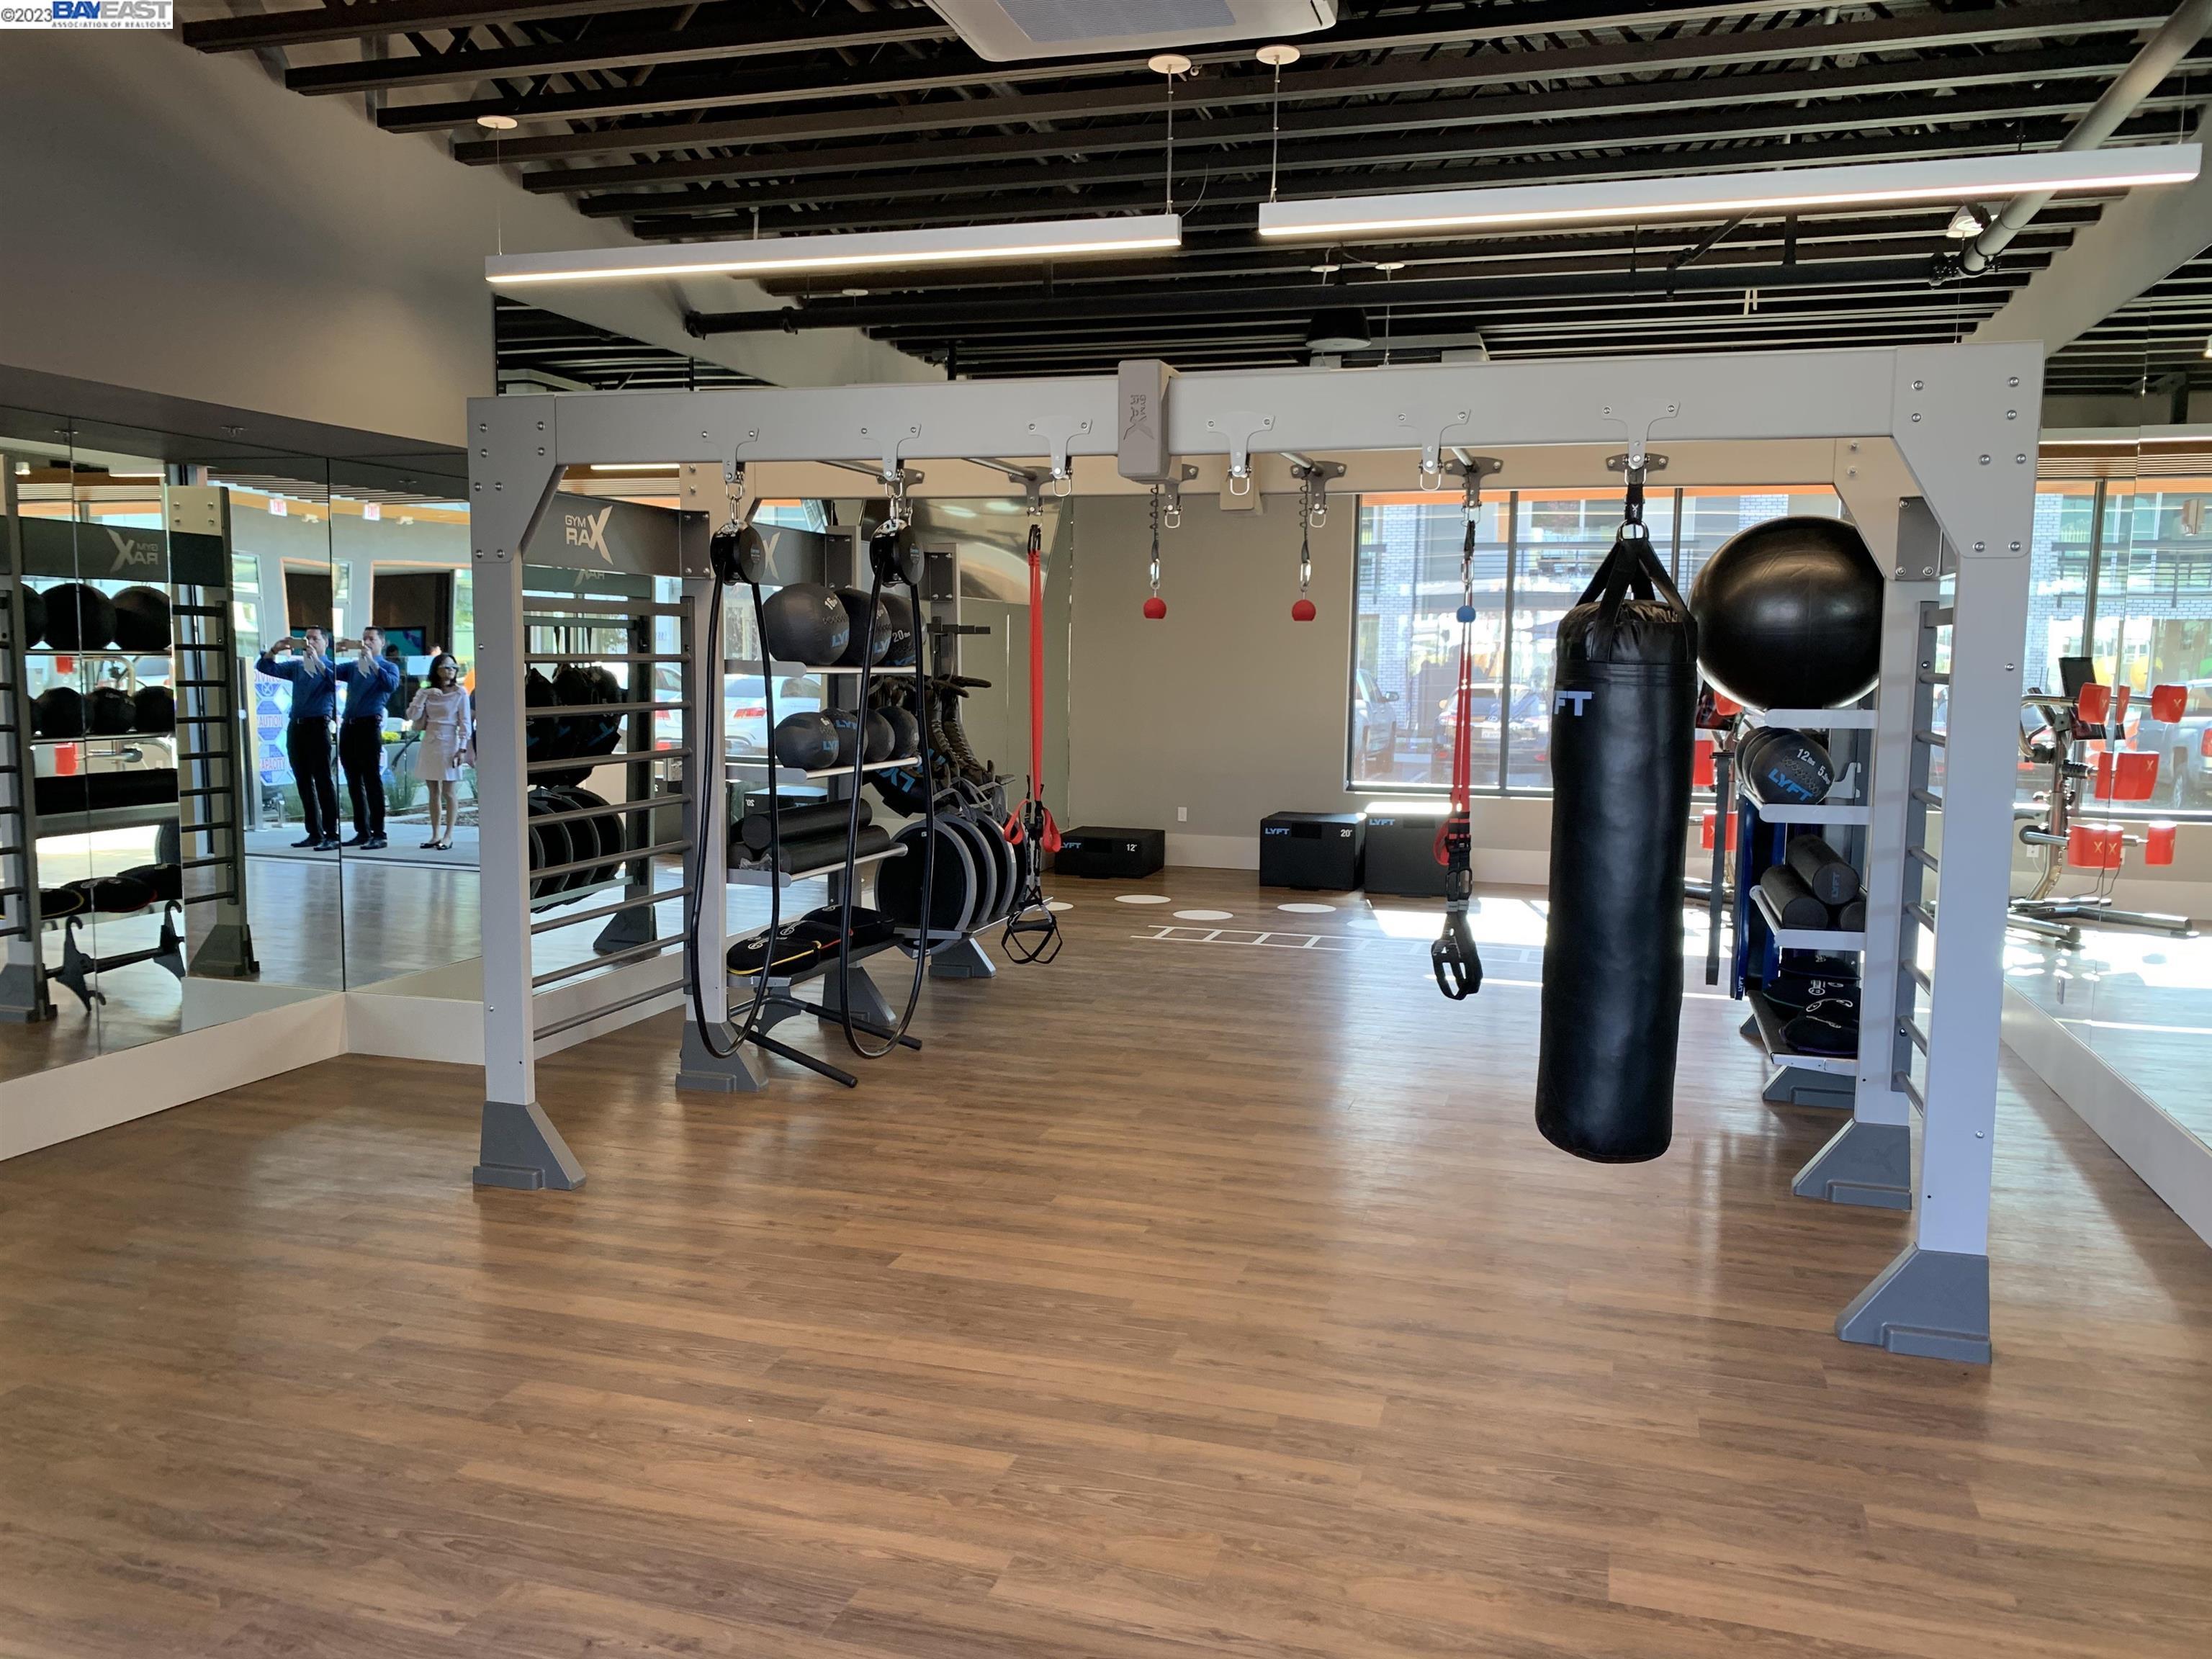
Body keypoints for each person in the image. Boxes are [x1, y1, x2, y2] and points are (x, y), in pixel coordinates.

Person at [256, 627, 342, 850]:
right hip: (297, 726)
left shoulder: (331, 667)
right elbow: (265, 667)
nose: (310, 642)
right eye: (307, 638)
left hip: (318, 726)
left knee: (323, 780)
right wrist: (275, 649)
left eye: (315, 638)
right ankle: (314, 832)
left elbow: (334, 684)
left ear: (326, 644)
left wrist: (317, 662)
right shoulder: (297, 666)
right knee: (303, 780)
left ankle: (332, 833)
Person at [333, 626, 402, 850]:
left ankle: (379, 833)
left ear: (381, 642)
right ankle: (362, 831)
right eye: (364, 639)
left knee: (372, 779)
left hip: (369, 726)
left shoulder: (388, 666)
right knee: (353, 780)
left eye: (371, 639)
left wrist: (371, 662)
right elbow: (326, 673)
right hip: (349, 727)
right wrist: (334, 650)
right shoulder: (354, 667)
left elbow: (391, 685)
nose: (366, 643)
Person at [407, 653, 473, 851]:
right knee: (433, 791)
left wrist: (462, 748)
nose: (450, 670)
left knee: (449, 792)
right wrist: (424, 695)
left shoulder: (460, 693)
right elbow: (413, 715)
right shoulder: (427, 693)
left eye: (453, 667)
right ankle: (435, 834)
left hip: (450, 742)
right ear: (437, 670)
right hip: (430, 742)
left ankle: (449, 834)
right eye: (446, 667)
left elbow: (465, 722)